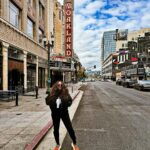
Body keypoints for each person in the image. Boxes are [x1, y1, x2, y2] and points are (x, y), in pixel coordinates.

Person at [46, 81, 79, 150]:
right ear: (56, 86)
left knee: (70, 128)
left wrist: (65, 103)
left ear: (63, 86)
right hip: (55, 114)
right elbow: (47, 101)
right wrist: (54, 103)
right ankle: (57, 144)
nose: (60, 86)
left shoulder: (65, 93)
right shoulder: (52, 93)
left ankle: (74, 143)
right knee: (56, 129)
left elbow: (70, 101)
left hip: (64, 113)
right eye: (58, 85)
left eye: (61, 85)